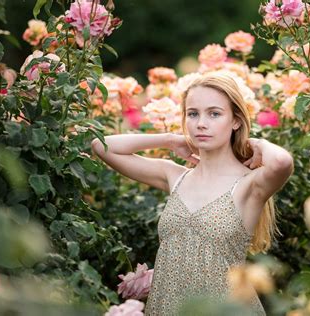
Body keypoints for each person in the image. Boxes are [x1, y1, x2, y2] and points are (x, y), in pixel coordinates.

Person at [91, 72, 294, 315]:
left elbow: (281, 162)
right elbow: (101, 146)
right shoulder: (175, 177)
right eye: (193, 113)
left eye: (214, 114)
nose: (201, 124)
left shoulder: (249, 185)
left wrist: (257, 145)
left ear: (236, 121)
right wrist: (168, 140)